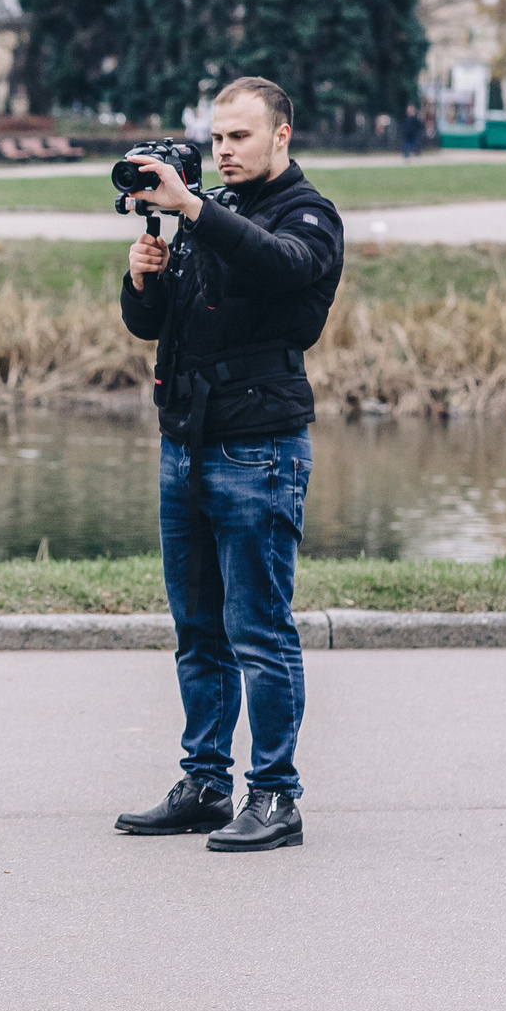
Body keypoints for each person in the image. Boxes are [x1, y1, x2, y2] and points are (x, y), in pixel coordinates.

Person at [112, 75, 341, 852]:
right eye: (216, 138)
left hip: (261, 449)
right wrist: (142, 276)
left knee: (259, 630)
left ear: (282, 134)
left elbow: (280, 268)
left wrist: (192, 210)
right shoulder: (217, 212)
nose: (224, 150)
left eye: (239, 136)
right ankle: (207, 782)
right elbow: (158, 324)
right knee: (197, 629)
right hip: (187, 443)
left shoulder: (307, 216)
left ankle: (276, 796)